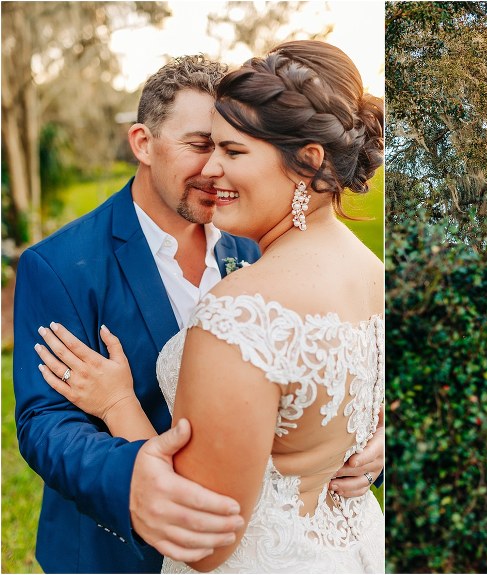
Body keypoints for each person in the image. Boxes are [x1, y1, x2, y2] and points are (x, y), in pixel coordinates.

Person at [16, 53, 381, 574]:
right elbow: (44, 420)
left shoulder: (257, 237)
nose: (213, 169)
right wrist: (132, 479)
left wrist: (373, 441)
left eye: (229, 147)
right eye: (201, 144)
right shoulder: (60, 265)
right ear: (143, 143)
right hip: (112, 551)